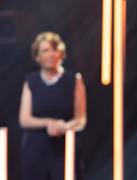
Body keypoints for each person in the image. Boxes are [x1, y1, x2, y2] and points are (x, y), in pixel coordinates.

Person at [19, 32, 87, 180]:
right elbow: (24, 119)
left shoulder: (73, 80)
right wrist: (49, 123)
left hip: (64, 148)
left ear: (61, 53)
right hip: (35, 149)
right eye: (45, 50)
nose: (50, 54)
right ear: (37, 56)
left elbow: (80, 119)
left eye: (53, 49)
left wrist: (64, 126)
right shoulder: (31, 81)